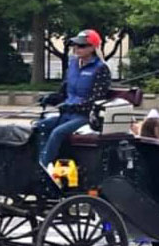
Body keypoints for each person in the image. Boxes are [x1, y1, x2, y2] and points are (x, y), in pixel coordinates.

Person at [36, 29, 111, 169]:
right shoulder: (72, 65)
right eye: (75, 45)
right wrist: (49, 99)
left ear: (93, 48)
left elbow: (95, 101)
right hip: (67, 114)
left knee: (58, 132)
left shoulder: (101, 69)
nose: (77, 48)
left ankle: (43, 168)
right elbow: (63, 93)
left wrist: (73, 107)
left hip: (85, 117)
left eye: (82, 46)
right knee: (40, 126)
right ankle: (39, 161)